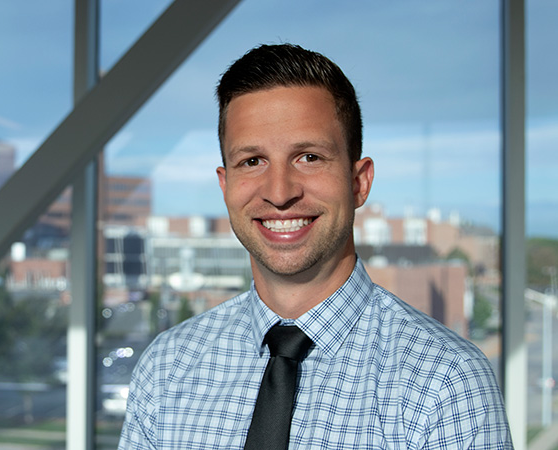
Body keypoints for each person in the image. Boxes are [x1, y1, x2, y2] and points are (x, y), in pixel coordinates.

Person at [118, 43, 513, 449]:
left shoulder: (446, 382)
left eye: (308, 157)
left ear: (359, 182)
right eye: (252, 161)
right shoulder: (167, 369)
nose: (279, 192)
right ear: (226, 185)